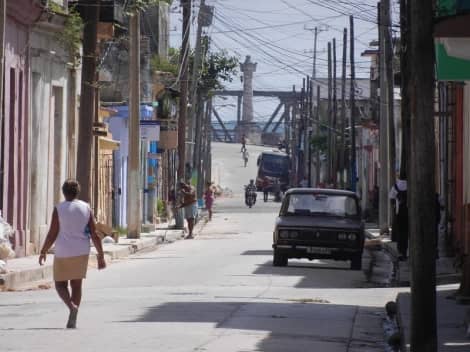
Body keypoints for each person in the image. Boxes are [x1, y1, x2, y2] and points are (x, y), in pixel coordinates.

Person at [39, 179, 106, 329]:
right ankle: (73, 314)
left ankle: (71, 307)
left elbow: (52, 233)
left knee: (59, 284)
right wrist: (101, 255)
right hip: (81, 250)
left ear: (63, 192)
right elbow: (94, 234)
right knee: (76, 285)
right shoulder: (86, 208)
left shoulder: (59, 209)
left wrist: (43, 251)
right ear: (77, 192)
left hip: (63, 251)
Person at [389, 178, 409, 261]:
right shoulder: (409, 185)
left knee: (400, 232)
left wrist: (394, 206)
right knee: (406, 233)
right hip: (408, 213)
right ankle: (405, 251)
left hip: (399, 213)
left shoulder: (395, 187)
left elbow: (391, 198)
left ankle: (400, 251)